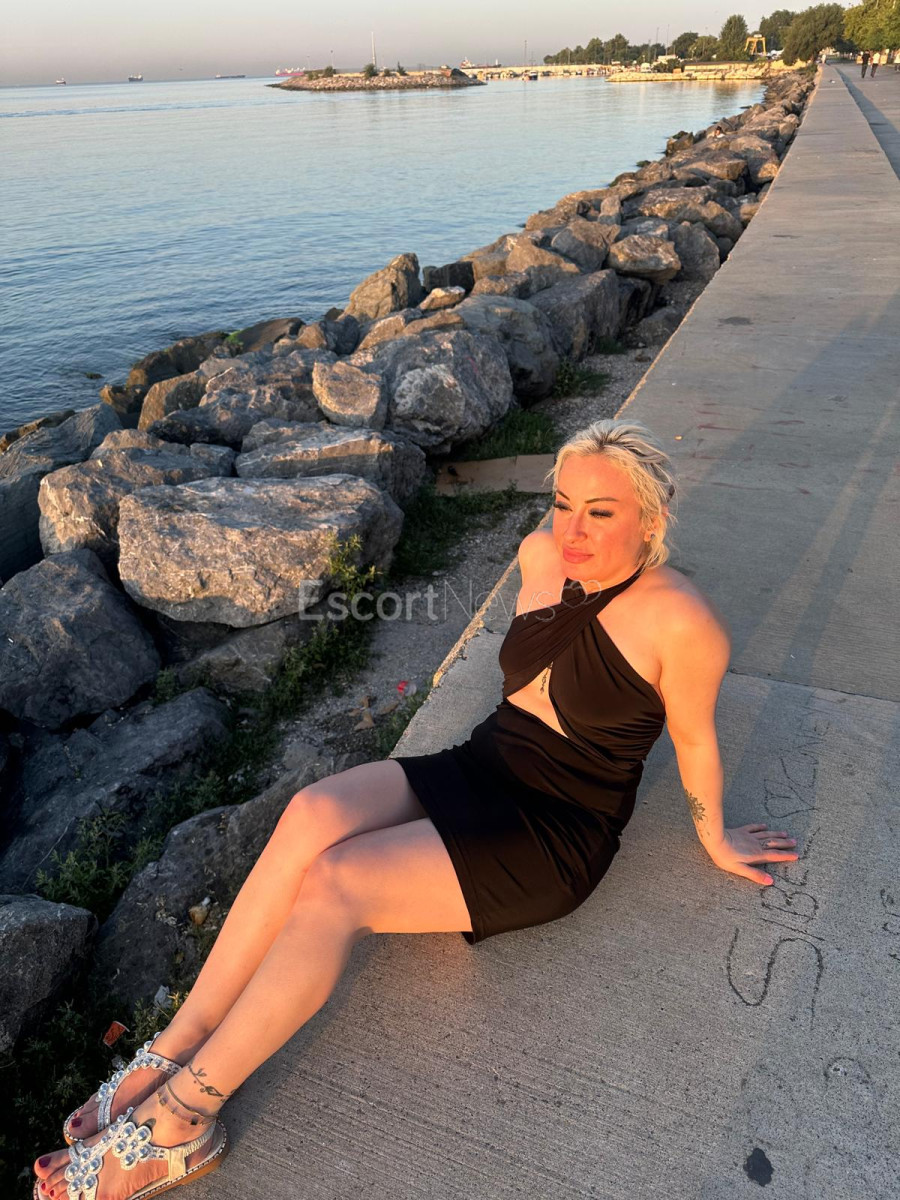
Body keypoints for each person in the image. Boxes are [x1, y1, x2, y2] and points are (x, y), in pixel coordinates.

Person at [32, 418, 801, 1200]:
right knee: (311, 813)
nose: (571, 531)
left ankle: (180, 1119)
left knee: (338, 884)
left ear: (652, 519)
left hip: (555, 830)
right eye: (564, 503)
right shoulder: (541, 556)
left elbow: (694, 741)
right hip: (484, 763)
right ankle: (175, 1045)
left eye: (599, 513)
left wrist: (716, 838)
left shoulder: (683, 621)